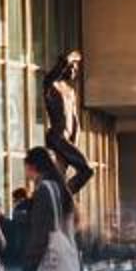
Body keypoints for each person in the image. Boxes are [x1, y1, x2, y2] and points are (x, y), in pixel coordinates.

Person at [42, 51, 95, 199]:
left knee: (61, 175)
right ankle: (63, 197)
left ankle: (62, 197)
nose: (74, 71)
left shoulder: (70, 91)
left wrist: (74, 144)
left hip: (66, 140)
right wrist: (72, 57)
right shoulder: (51, 84)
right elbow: (63, 63)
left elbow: (75, 122)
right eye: (71, 67)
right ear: (62, 67)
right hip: (57, 138)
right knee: (87, 170)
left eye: (76, 68)